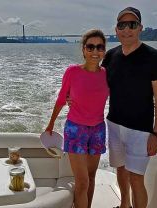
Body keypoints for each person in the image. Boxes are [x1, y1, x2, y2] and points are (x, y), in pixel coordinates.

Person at [102, 7, 157, 208]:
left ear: (140, 28)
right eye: (122, 25)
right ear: (116, 30)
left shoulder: (154, 58)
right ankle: (124, 205)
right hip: (114, 124)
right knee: (120, 171)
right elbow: (97, 87)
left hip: (140, 130)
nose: (126, 29)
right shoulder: (110, 56)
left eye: (132, 25)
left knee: (136, 179)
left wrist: (156, 133)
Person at [45, 29, 109, 208]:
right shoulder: (72, 72)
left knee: (91, 177)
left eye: (99, 47)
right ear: (83, 49)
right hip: (76, 130)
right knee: (82, 182)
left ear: (104, 50)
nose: (95, 51)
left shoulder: (107, 74)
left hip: (98, 130)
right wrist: (50, 125)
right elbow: (61, 99)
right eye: (90, 47)